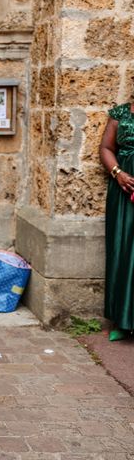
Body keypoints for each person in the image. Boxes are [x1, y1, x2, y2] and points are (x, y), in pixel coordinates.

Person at [100, 102, 134, 341]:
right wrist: (117, 173)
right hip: (124, 189)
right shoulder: (120, 113)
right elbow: (106, 147)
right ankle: (121, 320)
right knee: (122, 250)